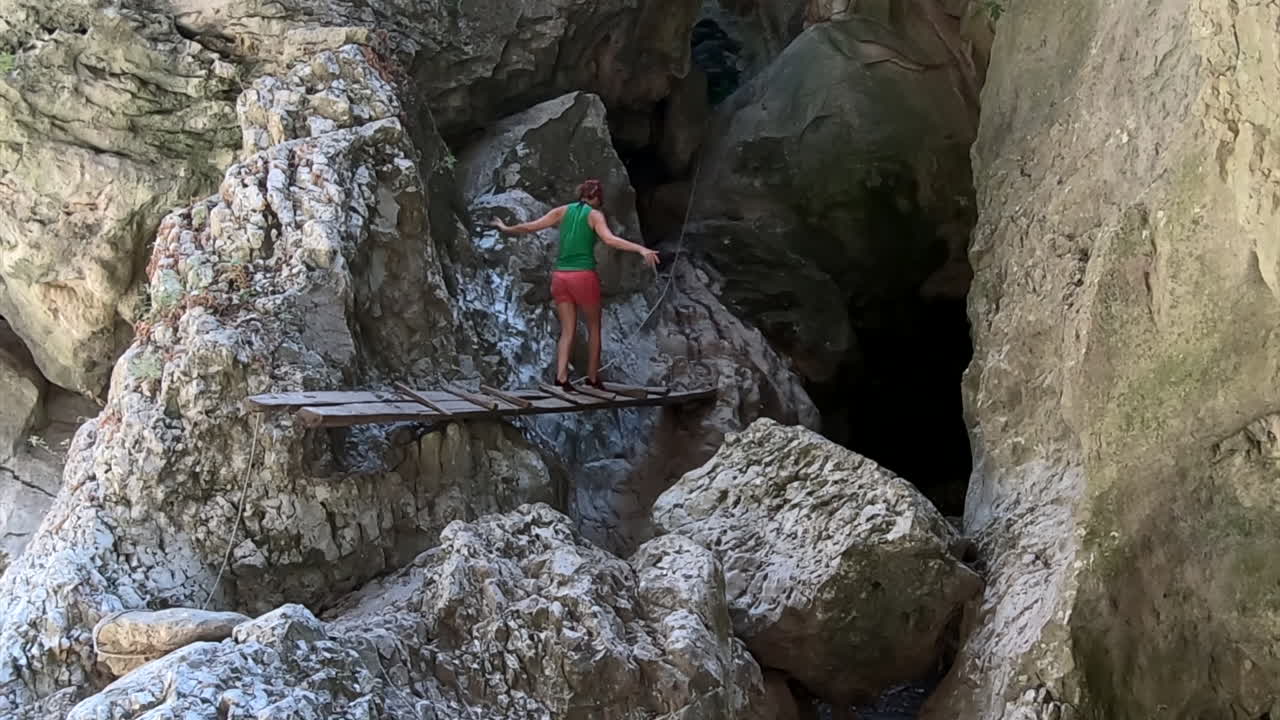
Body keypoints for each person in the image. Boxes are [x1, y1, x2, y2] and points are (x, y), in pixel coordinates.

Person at [490, 179, 660, 391]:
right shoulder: (595, 215)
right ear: (597, 198)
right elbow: (609, 240)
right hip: (583, 277)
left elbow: (530, 226)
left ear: (581, 194)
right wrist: (641, 249)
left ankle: (561, 378)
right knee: (594, 328)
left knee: (567, 331)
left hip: (560, 278)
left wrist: (505, 228)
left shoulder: (562, 211)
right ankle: (592, 378)